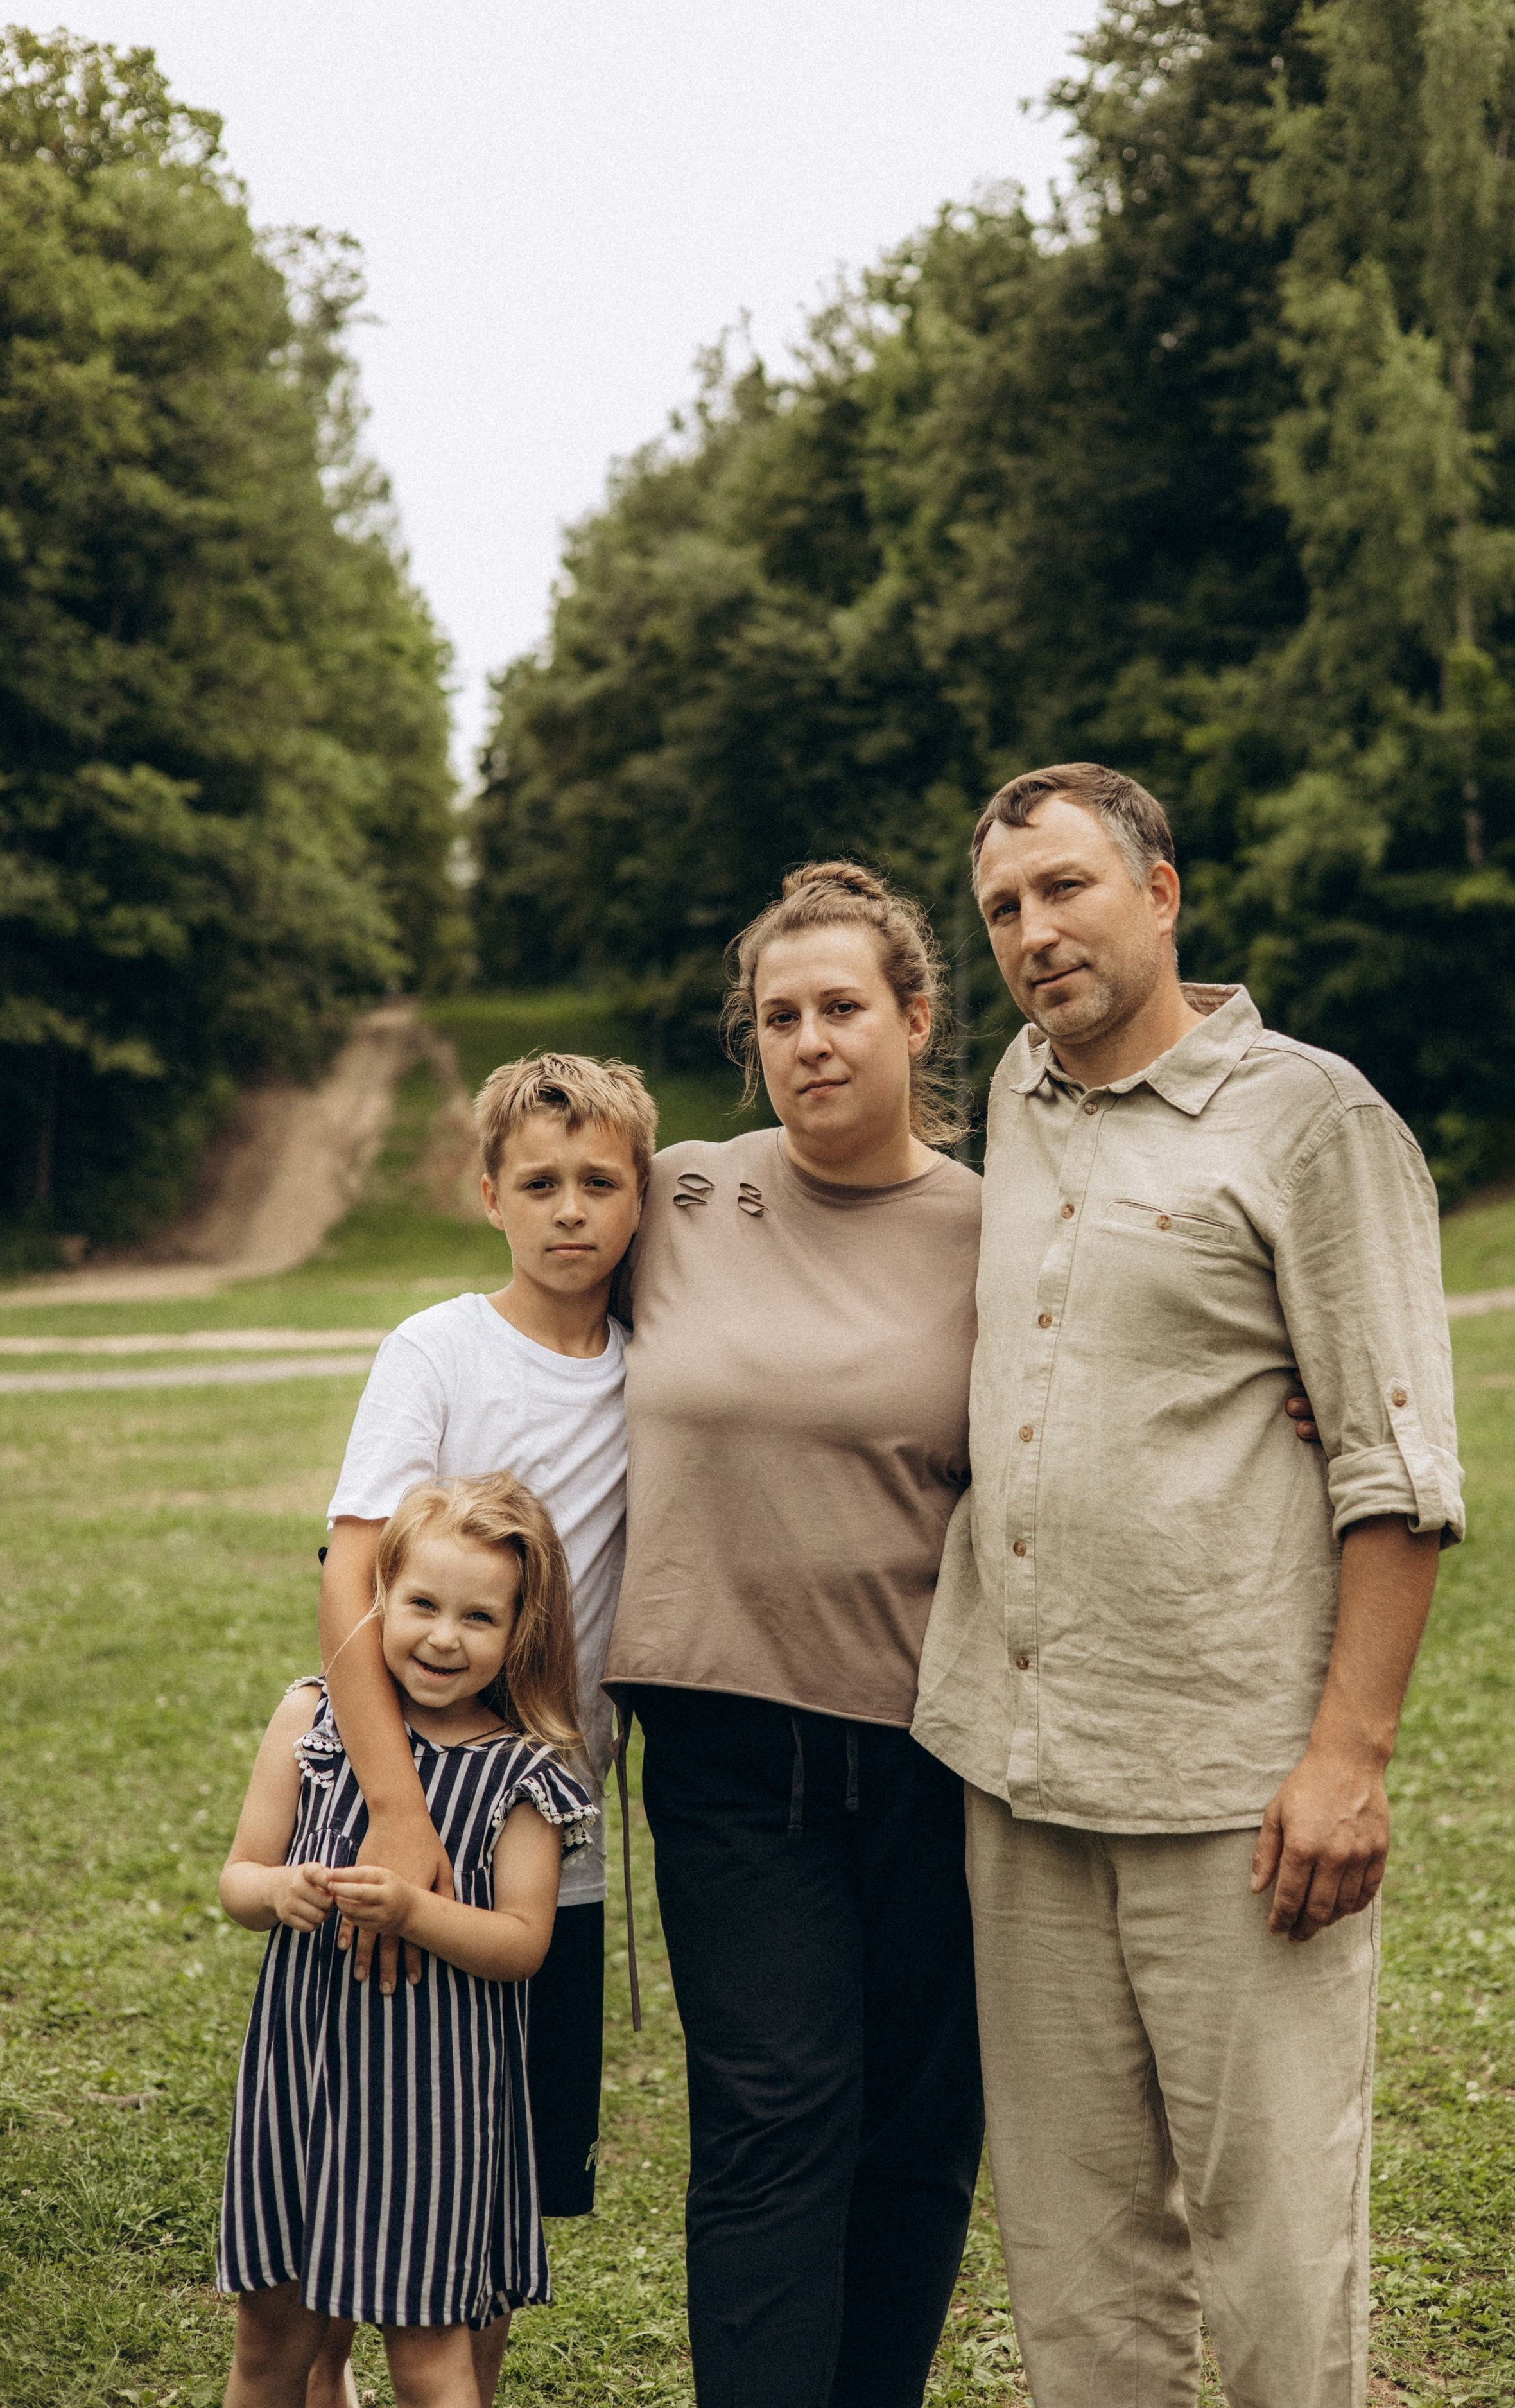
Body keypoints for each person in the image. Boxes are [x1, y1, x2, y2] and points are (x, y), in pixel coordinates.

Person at [913, 763, 1466, 2408]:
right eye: (1002, 908)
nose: (1031, 932)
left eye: (1064, 889)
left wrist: (1347, 1757)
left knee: (1278, 2257)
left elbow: (1395, 1468)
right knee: (1074, 2268)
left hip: (1235, 1788)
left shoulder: (1314, 1121)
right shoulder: (1018, 1091)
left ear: (1161, 894)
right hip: (1018, 1774)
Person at [602, 861, 987, 2408]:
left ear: (914, 1019)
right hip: (721, 1740)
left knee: (915, 2125)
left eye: (841, 1008)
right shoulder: (675, 1195)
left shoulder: (1004, 1229)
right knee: (770, 2118)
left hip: (931, 1742)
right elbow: (530, 1313)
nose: (810, 1041)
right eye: (779, 1017)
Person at [309, 1054, 654, 2408]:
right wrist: (397, 1810)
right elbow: (350, 1574)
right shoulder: (439, 1349)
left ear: (641, 1199)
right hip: (399, 1818)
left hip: (547, 1841)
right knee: (362, 2141)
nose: (570, 1209)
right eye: (539, 1182)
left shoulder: (658, 1372)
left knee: (495, 2189)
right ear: (488, 1194)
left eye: (600, 1182)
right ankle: (318, 2373)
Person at [216, 1474, 594, 2408]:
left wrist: (414, 1911)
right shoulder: (309, 1721)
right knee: (270, 2338)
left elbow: (523, 1943)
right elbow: (238, 1880)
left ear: (521, 1632)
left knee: (427, 2352)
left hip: (434, 2112)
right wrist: (281, 1890)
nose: (443, 1638)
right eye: (422, 1604)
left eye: (479, 1617)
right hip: (301, 2083)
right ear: (377, 1595)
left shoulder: (522, 1774)